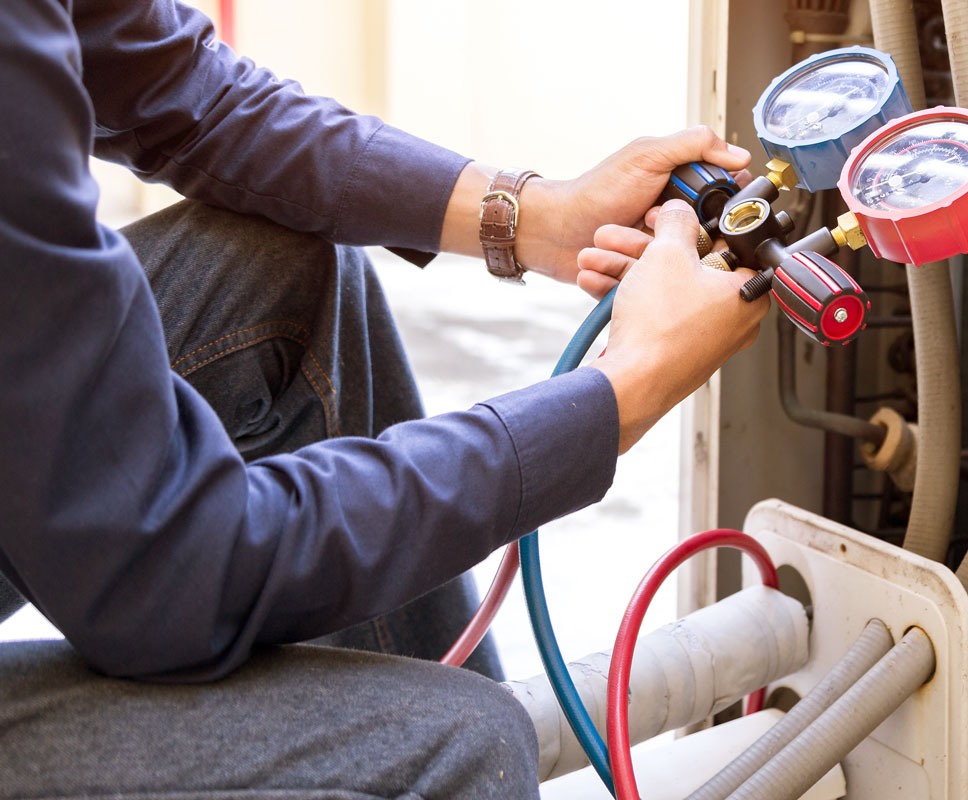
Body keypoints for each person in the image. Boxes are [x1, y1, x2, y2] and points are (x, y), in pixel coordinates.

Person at [0, 1, 768, 798]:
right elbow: (169, 566)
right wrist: (622, 392)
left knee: (271, 268)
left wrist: (537, 218)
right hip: (156, 564)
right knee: (462, 744)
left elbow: (178, 85)